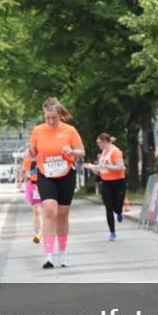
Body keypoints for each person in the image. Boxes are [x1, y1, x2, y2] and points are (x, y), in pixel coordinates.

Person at [28, 98, 84, 268]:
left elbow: (81, 152)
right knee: (50, 211)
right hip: (46, 175)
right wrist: (29, 152)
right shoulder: (37, 131)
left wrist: (71, 151)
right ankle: (49, 256)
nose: (51, 121)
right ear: (44, 116)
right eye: (48, 118)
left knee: (62, 214)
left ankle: (63, 253)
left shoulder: (70, 130)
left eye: (54, 117)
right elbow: (33, 152)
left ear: (59, 114)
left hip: (66, 174)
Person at [84, 133, 126, 241]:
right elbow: (101, 168)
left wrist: (106, 166)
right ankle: (112, 232)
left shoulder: (115, 152)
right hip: (106, 183)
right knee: (108, 208)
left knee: (117, 206)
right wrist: (92, 167)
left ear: (105, 141)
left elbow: (121, 167)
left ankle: (119, 212)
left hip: (118, 182)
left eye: (99, 143)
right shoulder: (104, 152)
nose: (98, 146)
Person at [16, 149, 42, 244]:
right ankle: (38, 234)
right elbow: (22, 170)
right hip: (34, 185)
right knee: (37, 211)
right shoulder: (28, 158)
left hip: (47, 184)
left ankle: (50, 231)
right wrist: (19, 182)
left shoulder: (45, 154)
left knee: (49, 210)